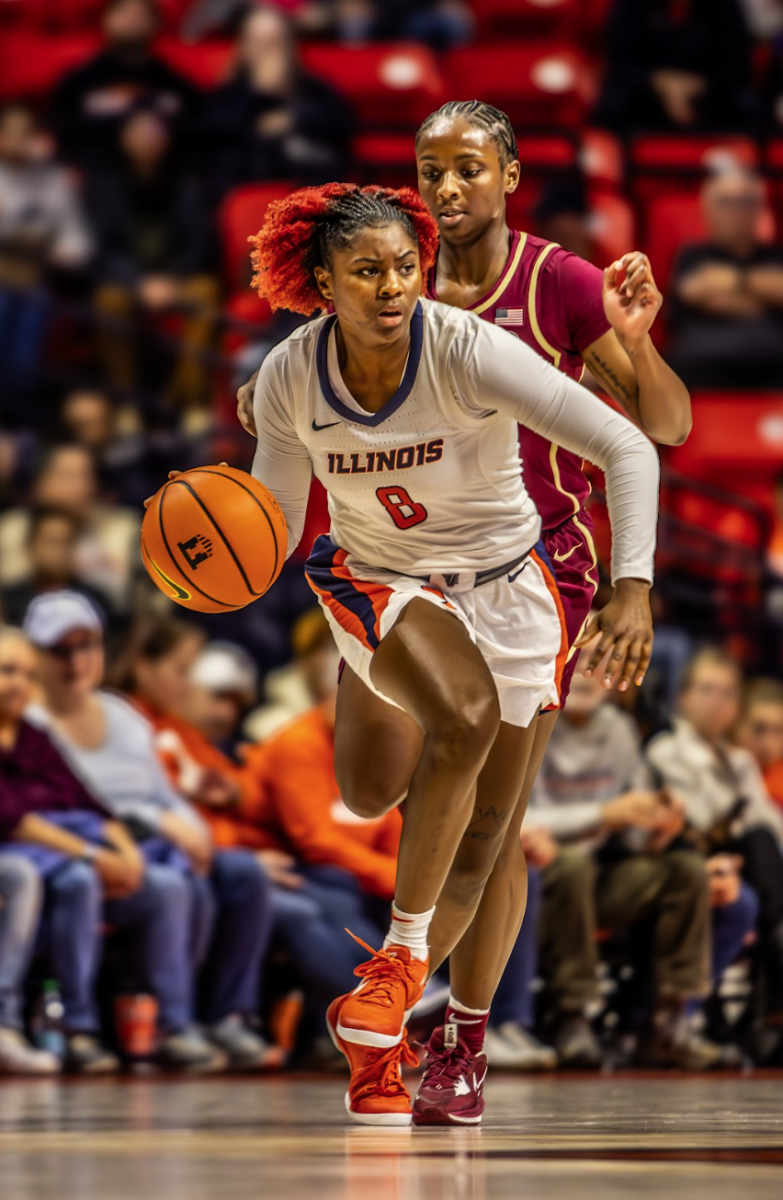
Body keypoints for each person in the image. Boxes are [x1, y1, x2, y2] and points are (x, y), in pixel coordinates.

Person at [224, 179, 661, 1126]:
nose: (390, 286)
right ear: (323, 281)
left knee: (487, 841)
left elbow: (629, 448)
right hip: (377, 574)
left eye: (404, 268)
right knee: (397, 770)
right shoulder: (293, 375)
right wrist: (214, 556)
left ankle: (380, 1032)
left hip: (509, 584)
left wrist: (632, 583)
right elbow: (270, 532)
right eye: (366, 271)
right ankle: (397, 961)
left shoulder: (466, 347)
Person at [24, 591, 279, 1072]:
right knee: (173, 888)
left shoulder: (122, 715)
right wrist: (156, 822)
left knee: (243, 874)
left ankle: (226, 1015)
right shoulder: (33, 722)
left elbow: (163, 791)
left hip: (156, 846)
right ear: (36, 656)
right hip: (95, 851)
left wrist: (196, 828)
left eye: (87, 646)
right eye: (61, 650)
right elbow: (77, 802)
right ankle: (173, 1025)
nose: (77, 661)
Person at [0, 624, 219, 1074]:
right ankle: (75, 1027)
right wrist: (92, 855)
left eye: (24, 673)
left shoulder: (33, 737)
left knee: (166, 886)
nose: (18, 683)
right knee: (78, 881)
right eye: (6, 671)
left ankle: (173, 1025)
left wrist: (125, 850)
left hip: (67, 853)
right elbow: (13, 818)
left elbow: (91, 801)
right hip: (35, 856)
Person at [526, 640, 752, 1070]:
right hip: (536, 878)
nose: (589, 673)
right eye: (581, 661)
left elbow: (628, 836)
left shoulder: (618, 729)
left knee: (684, 869)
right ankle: (571, 1016)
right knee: (571, 864)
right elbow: (516, 819)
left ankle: (667, 1022)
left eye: (601, 664)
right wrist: (605, 813)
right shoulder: (533, 716)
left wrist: (656, 829)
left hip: (602, 876)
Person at [646, 648, 783, 1038]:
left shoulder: (738, 760)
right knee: (750, 871)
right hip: (688, 861)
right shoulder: (667, 750)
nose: (718, 701)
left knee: (760, 846)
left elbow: (771, 826)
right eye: (707, 689)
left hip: (740, 864)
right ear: (683, 697)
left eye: (727, 692)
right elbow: (701, 819)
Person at [87, 104, 220, 413]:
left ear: (167, 137)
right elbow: (100, 248)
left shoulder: (188, 181)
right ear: (122, 138)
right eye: (138, 131)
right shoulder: (103, 183)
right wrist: (138, 281)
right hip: (127, 279)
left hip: (178, 277)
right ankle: (126, 403)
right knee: (108, 301)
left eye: (154, 131)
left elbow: (201, 241)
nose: (147, 139)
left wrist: (171, 280)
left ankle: (188, 401)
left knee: (206, 293)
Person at [0, 102, 92, 414]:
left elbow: (77, 241)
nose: (17, 140)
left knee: (30, 322)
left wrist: (58, 251)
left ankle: (20, 411)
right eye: (9, 132)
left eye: (25, 132)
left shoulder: (54, 180)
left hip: (36, 276)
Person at [206, 6, 353, 194]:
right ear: (244, 47)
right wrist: (258, 93)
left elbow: (341, 127)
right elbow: (214, 140)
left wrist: (293, 116)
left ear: (291, 46)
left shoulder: (317, 92)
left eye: (275, 42)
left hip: (308, 199)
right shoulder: (228, 97)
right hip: (244, 198)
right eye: (259, 42)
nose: (268, 52)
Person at [669, 168, 783, 388]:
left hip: (775, 361)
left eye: (745, 201)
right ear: (708, 209)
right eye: (726, 202)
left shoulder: (776, 256)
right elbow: (696, 291)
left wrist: (735, 281)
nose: (736, 211)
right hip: (703, 364)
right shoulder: (692, 256)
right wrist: (765, 298)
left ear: (759, 208)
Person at [52, 0, 199, 170]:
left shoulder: (177, 85)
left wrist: (159, 132)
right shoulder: (78, 82)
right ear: (106, 19)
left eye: (140, 14)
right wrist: (122, 132)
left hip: (166, 175)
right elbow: (63, 132)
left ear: (157, 23)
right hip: (98, 171)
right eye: (124, 13)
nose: (132, 20)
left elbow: (198, 131)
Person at [0, 444, 140, 613]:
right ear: (40, 484)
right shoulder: (11, 530)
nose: (80, 486)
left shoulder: (123, 528)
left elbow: (143, 608)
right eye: (68, 476)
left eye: (86, 476)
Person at [594, 0, 759, 135]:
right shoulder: (631, 5)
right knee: (613, 104)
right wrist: (660, 82)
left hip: (708, 89)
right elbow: (619, 60)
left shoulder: (726, 6)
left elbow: (737, 63)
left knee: (749, 106)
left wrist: (699, 85)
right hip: (647, 89)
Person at [0, 506, 116, 631]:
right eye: (52, 542)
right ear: (30, 545)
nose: (60, 551)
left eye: (67, 541)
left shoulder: (95, 599)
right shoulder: (9, 601)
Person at [738, 678, 783, 809]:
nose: (769, 742)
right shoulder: (723, 775)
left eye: (779, 730)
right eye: (759, 729)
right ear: (736, 726)